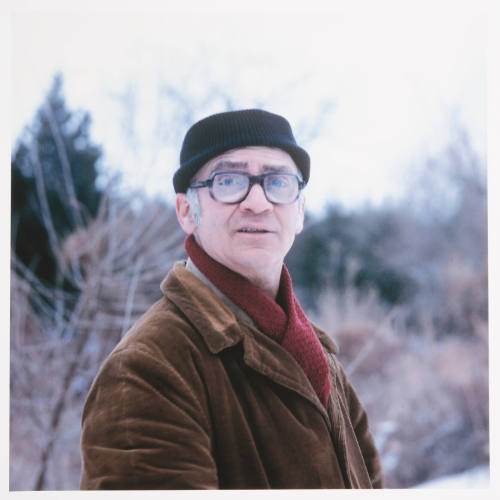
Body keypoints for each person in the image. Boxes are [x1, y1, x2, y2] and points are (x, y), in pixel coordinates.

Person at [80, 109, 383, 489]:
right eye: (228, 181)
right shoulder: (148, 368)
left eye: (278, 181)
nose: (257, 202)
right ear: (187, 211)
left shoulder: (322, 358)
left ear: (300, 211)